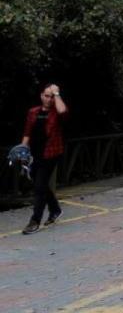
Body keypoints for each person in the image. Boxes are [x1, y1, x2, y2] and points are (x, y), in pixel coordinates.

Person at [21, 83, 68, 235]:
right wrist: (22, 150)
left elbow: (63, 111)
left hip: (51, 153)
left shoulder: (56, 112)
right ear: (41, 96)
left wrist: (56, 93)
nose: (49, 99)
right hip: (34, 154)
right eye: (46, 96)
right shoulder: (33, 112)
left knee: (39, 186)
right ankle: (55, 209)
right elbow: (27, 133)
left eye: (51, 96)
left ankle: (35, 221)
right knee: (39, 183)